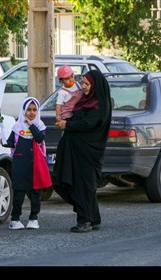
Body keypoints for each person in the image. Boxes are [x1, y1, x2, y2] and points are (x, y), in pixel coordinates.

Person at [54, 69, 112, 232]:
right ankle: (93, 218)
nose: (84, 87)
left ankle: (84, 220)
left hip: (88, 152)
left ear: (95, 85)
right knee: (82, 184)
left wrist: (68, 125)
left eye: (87, 84)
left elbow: (89, 123)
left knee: (82, 185)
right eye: (83, 83)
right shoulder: (86, 101)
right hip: (76, 150)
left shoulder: (99, 104)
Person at [1, 97, 47, 230]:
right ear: (23, 110)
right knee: (19, 193)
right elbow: (10, 143)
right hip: (20, 164)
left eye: (34, 110)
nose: (32, 113)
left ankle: (33, 218)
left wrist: (31, 124)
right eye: (28, 110)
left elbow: (39, 138)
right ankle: (15, 219)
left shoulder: (40, 125)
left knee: (35, 193)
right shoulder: (17, 127)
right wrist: (1, 135)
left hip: (36, 164)